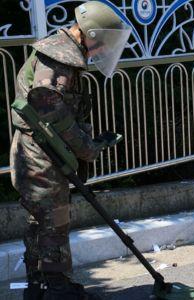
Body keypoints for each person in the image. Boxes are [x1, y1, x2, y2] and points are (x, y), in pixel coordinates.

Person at [9, 1, 131, 299]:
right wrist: (86, 148)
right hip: (40, 154)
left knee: (42, 219)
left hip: (41, 150)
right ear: (88, 34)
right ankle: (56, 289)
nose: (103, 49)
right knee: (53, 220)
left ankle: (39, 286)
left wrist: (85, 142)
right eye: (102, 42)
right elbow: (51, 110)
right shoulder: (58, 58)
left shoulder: (62, 53)